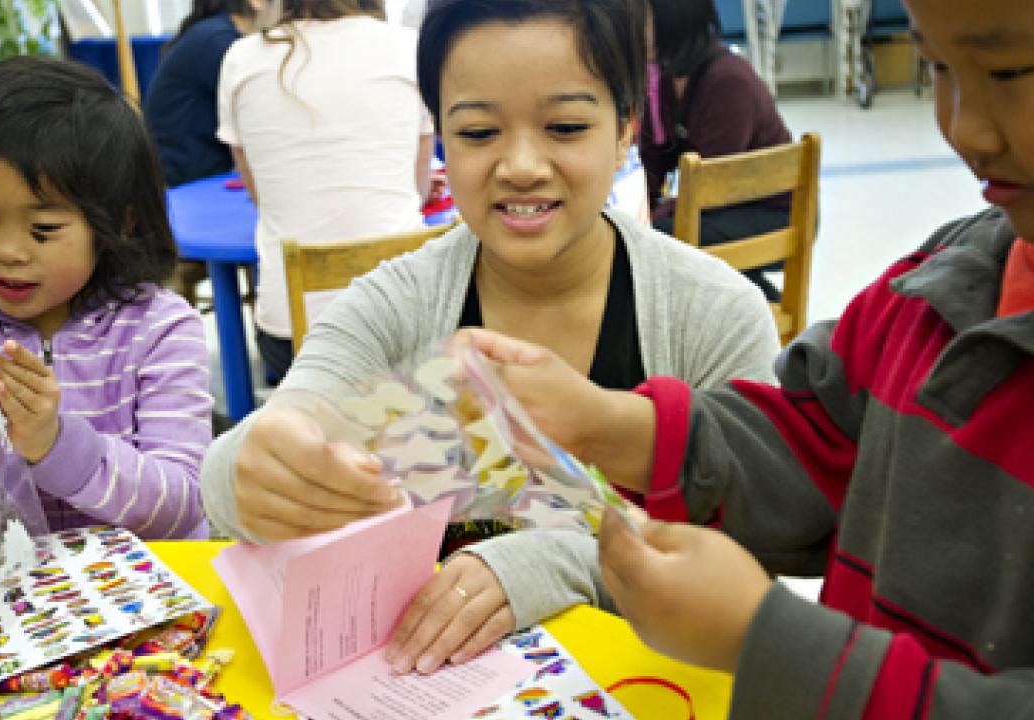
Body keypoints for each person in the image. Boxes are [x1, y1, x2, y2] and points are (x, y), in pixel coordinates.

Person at [387, 0, 1034, 713]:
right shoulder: (937, 283)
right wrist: (608, 424)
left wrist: (764, 639)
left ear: (624, 131)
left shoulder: (709, 297)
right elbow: (809, 434)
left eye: (1012, 72)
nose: (964, 127)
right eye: (935, 66)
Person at [200, 0, 780, 556]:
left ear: (626, 127)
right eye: (479, 133)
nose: (522, 167)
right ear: (440, 136)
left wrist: (546, 568)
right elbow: (269, 440)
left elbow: (758, 543)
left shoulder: (713, 316)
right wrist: (252, 470)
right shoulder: (394, 309)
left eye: (566, 126)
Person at [0, 57, 213, 542]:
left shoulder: (159, 329)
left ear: (120, 223)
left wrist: (55, 445)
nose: (6, 251)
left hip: (159, 592)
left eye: (43, 229)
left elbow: (180, 506)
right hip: (30, 605)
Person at [217, 0, 437, 382]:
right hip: (407, 316)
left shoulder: (242, 58)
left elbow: (262, 196)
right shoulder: (409, 48)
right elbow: (416, 191)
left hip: (294, 330)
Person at [640, 0, 793, 300]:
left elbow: (711, 189)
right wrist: (637, 210)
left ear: (672, 20)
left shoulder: (727, 80)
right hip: (727, 208)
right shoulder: (666, 77)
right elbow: (656, 155)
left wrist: (652, 220)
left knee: (659, 238)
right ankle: (760, 310)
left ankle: (758, 317)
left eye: (642, 22)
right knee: (643, 231)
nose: (632, 32)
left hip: (775, 215)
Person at [144, 0, 276, 188]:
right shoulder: (219, 42)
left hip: (192, 177)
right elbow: (267, 118)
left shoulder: (213, 33)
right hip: (189, 185)